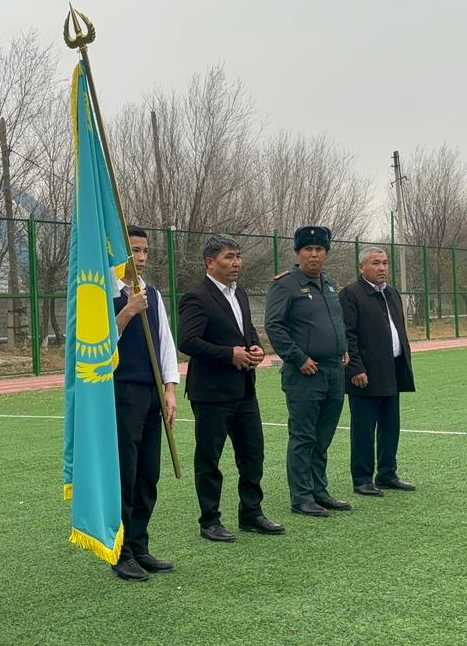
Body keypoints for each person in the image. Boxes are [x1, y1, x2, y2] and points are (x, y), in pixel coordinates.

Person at [178, 234, 285, 542]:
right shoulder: (196, 297)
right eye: (229, 257)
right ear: (210, 262)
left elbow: (247, 331)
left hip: (244, 391)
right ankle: (209, 520)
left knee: (253, 455)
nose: (236, 262)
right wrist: (229, 354)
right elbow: (188, 341)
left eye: (238, 256)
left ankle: (251, 513)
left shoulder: (240, 294)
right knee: (209, 459)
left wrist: (255, 349)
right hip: (211, 394)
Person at [265, 226, 352, 518]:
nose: (314, 254)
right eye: (308, 249)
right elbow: (274, 326)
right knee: (303, 436)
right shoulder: (286, 285)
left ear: (326, 253)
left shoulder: (328, 283)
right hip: (305, 373)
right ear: (298, 253)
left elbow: (336, 322)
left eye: (319, 250)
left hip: (334, 371)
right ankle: (301, 496)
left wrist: (343, 346)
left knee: (323, 435)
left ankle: (319, 489)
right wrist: (298, 358)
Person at [110, 227, 180, 582]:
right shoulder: (103, 295)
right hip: (122, 394)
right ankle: (119, 553)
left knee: (148, 474)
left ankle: (140, 545)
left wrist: (169, 389)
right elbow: (95, 347)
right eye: (133, 251)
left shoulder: (151, 293)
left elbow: (165, 343)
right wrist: (126, 312)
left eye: (144, 251)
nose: (139, 258)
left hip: (152, 393)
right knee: (126, 472)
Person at [339, 246, 417, 497]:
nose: (382, 268)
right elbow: (347, 335)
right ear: (362, 267)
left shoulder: (391, 293)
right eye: (376, 263)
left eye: (385, 263)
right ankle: (362, 479)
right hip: (365, 374)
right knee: (363, 428)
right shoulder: (350, 294)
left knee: (390, 425)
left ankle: (387, 473)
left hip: (392, 369)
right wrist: (356, 368)